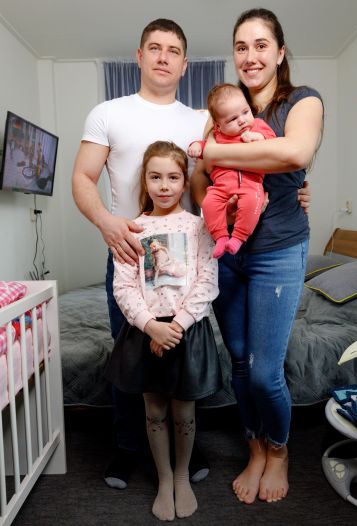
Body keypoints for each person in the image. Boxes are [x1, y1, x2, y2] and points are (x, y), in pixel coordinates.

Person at [191, 8, 323, 505]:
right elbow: (199, 179)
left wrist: (214, 152)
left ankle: (280, 449)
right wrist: (215, 194)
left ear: (280, 52)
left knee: (266, 372)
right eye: (241, 47)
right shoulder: (225, 105)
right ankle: (254, 447)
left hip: (279, 249)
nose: (250, 56)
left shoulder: (302, 101)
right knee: (240, 365)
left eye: (261, 45)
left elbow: (294, 154)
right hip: (227, 253)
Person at [71, 18, 211, 489]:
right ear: (139, 56)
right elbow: (82, 178)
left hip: (186, 260)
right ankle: (128, 445)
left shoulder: (200, 121)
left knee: (183, 355)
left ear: (185, 64)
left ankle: (186, 449)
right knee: (130, 358)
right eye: (154, 47)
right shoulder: (108, 113)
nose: (163, 57)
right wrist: (106, 222)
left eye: (173, 50)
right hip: (129, 253)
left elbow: (216, 183)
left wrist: (291, 192)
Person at [105, 141, 221, 521]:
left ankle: (182, 476)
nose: (165, 185)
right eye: (156, 177)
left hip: (186, 330)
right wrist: (151, 327)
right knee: (154, 409)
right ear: (145, 181)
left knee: (184, 409)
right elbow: (123, 287)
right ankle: (164, 478)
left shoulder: (198, 226)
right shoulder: (132, 229)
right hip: (146, 330)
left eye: (173, 177)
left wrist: (178, 326)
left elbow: (208, 281)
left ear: (184, 181)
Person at [188, 83, 276, 258]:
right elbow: (205, 148)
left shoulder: (258, 126)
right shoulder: (217, 137)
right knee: (209, 203)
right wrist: (196, 146)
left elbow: (272, 140)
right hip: (221, 187)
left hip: (250, 184)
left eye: (245, 112)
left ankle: (238, 238)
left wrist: (257, 137)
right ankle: (220, 237)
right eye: (232, 119)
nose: (242, 120)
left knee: (252, 203)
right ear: (218, 126)